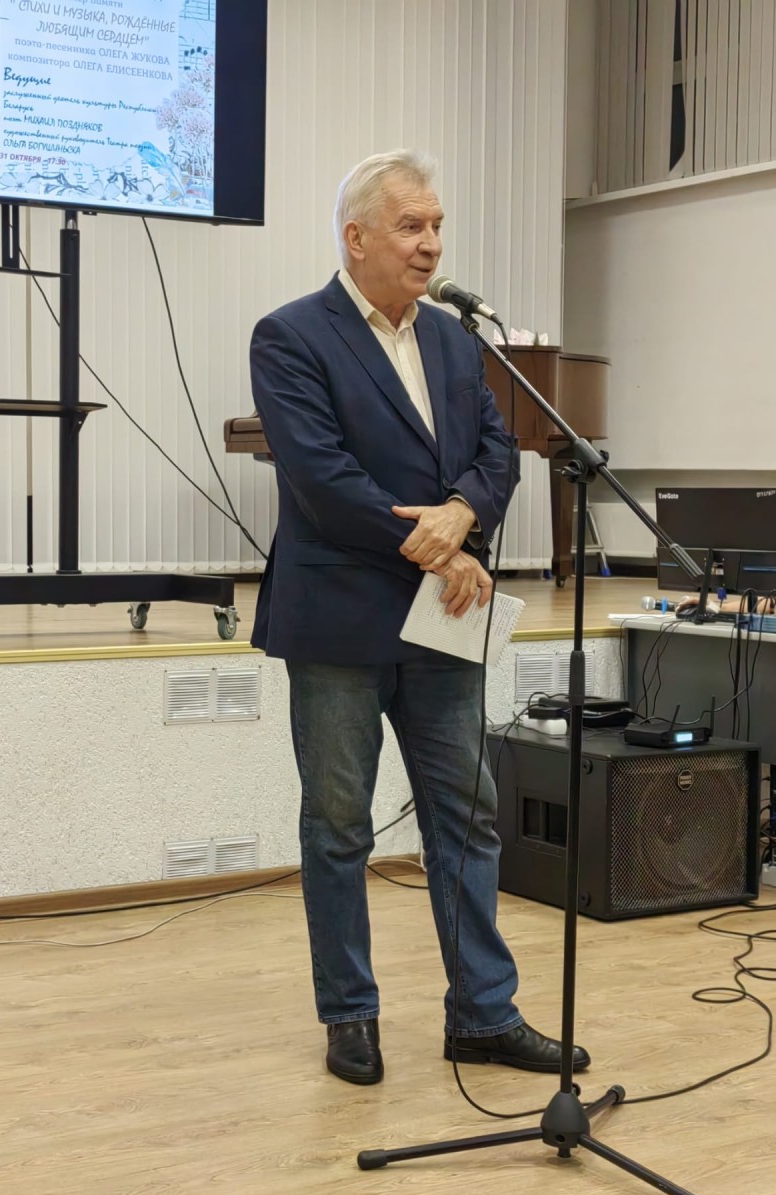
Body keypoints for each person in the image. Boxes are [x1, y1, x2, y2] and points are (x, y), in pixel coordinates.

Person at [249, 149, 591, 1085]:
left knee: (469, 818)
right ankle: (350, 1015)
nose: (431, 243)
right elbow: (323, 481)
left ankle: (483, 1015)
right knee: (339, 827)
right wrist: (443, 544)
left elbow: (497, 451)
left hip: (444, 614)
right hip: (342, 621)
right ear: (356, 237)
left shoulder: (451, 338)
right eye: (411, 226)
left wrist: (466, 515)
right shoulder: (290, 335)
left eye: (436, 225)